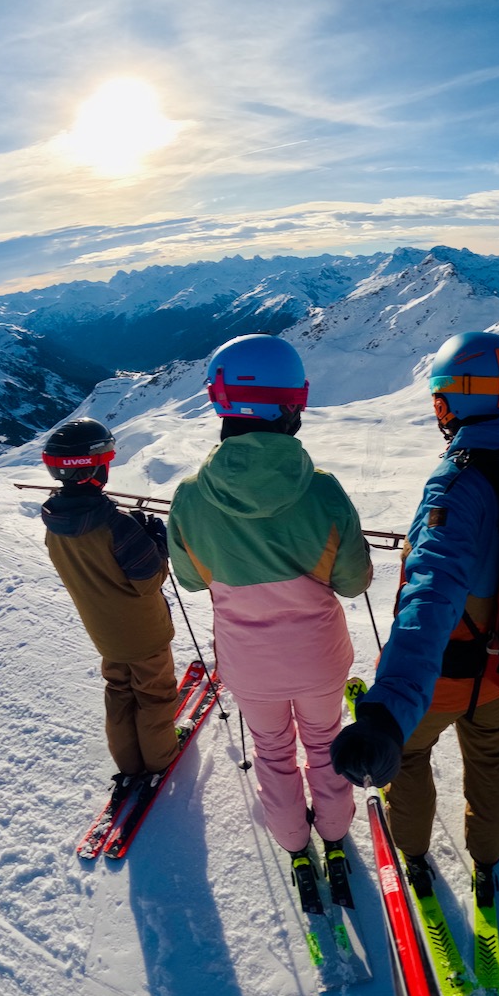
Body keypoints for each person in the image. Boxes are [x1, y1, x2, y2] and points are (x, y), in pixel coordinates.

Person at [331, 330, 499, 908]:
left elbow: (428, 600)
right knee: (490, 753)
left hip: (443, 677)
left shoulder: (458, 483)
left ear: (446, 403)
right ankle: (487, 858)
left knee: (406, 753)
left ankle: (413, 850)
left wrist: (385, 712)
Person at [166, 334, 373, 898]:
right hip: (319, 658)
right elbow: (354, 582)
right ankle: (334, 830)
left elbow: (189, 579)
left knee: (273, 750)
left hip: (247, 664)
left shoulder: (188, 498)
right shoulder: (325, 493)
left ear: (221, 403)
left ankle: (290, 839)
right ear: (291, 406)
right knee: (327, 740)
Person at [40, 418, 181, 782]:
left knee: (119, 691)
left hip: (104, 632)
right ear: (94, 468)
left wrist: (137, 536)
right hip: (144, 632)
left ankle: (130, 764)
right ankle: (160, 758)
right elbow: (148, 582)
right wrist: (157, 546)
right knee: (155, 696)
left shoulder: (56, 522)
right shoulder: (116, 526)